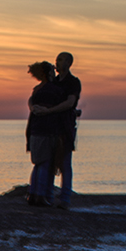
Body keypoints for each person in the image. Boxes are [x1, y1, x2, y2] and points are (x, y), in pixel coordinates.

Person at [28, 52, 81, 209]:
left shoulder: (73, 82)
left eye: (61, 60)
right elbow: (35, 94)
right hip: (50, 128)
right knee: (49, 163)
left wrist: (48, 111)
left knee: (64, 163)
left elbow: (70, 103)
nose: (57, 62)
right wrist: (33, 107)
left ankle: (65, 199)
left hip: (64, 127)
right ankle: (48, 196)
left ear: (69, 63)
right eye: (57, 59)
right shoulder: (54, 81)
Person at [26, 61, 64, 206]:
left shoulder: (36, 91)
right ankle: (40, 195)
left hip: (35, 131)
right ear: (48, 73)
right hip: (47, 131)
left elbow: (33, 106)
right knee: (45, 163)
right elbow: (59, 107)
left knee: (38, 164)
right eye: (52, 72)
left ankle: (33, 194)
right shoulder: (52, 90)